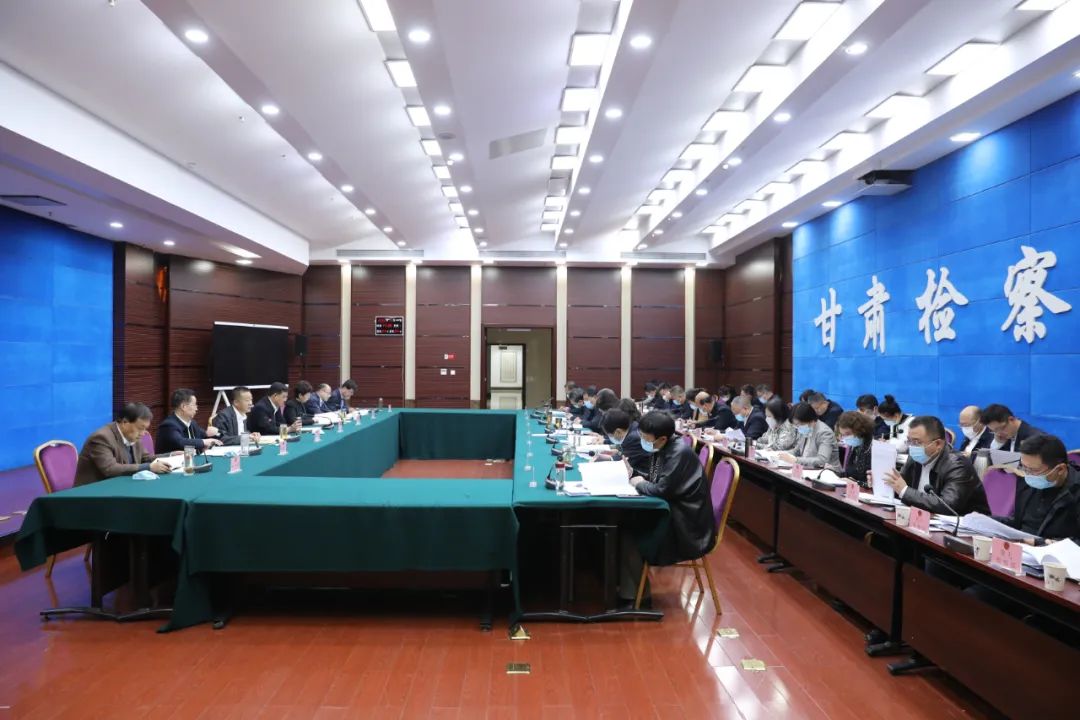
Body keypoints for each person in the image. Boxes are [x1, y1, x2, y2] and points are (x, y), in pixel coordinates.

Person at [621, 411, 716, 606]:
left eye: (645, 438)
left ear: (663, 438)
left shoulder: (678, 453)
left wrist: (639, 483)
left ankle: (640, 597)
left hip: (686, 524)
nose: (642, 441)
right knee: (623, 525)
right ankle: (627, 587)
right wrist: (634, 473)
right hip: (676, 510)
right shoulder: (664, 447)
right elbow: (658, 480)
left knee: (626, 533)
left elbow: (661, 490)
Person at [882, 416, 990, 515]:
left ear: (938, 444)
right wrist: (883, 484)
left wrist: (904, 491)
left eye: (917, 442)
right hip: (925, 520)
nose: (912, 447)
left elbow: (948, 506)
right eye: (909, 441)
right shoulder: (914, 457)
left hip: (968, 526)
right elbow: (900, 488)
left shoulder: (957, 465)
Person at [1000, 434, 1080, 543]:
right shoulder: (1029, 481)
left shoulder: (1075, 491)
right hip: (1021, 546)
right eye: (1024, 467)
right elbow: (1016, 522)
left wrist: (1039, 543)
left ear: (1060, 469)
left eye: (1034, 470)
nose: (1028, 474)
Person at [74, 403, 173, 486]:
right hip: (94, 492)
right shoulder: (101, 438)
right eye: (140, 428)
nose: (143, 433)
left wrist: (171, 455)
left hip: (122, 486)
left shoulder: (133, 435)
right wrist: (148, 467)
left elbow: (146, 459)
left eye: (145, 429)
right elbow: (110, 469)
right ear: (125, 422)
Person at [156, 388, 223, 454]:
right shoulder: (168, 425)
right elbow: (180, 442)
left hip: (189, 460)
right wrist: (204, 442)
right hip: (171, 460)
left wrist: (217, 433)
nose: (196, 408)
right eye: (194, 405)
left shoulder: (192, 423)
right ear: (183, 407)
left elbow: (204, 436)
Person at [778, 402, 838, 469]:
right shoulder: (805, 429)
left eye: (799, 424)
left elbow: (822, 460)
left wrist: (796, 460)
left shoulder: (825, 433)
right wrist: (779, 454)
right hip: (808, 468)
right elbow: (796, 451)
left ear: (811, 420)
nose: (798, 427)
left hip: (828, 471)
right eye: (796, 425)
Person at [599, 408, 650, 476]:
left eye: (610, 435)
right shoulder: (633, 426)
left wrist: (607, 458)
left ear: (618, 431)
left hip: (645, 474)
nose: (610, 438)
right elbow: (627, 452)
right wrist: (617, 452)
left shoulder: (633, 438)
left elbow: (624, 461)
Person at [835, 411, 874, 485]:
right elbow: (849, 473)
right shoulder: (855, 446)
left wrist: (856, 483)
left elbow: (874, 484)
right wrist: (833, 472)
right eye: (843, 435)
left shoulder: (872, 448)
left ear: (860, 430)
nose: (845, 438)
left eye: (848, 434)